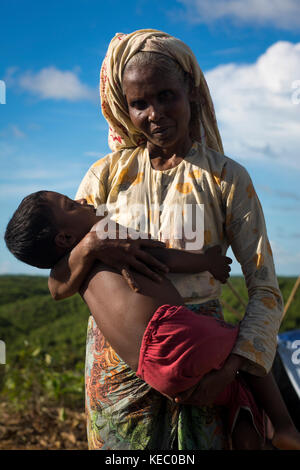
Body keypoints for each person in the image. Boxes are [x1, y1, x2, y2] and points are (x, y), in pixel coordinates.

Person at [43, 30, 286, 450]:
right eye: (139, 103)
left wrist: (229, 371)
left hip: (203, 367)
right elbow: (59, 285)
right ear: (125, 108)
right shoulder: (105, 177)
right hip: (117, 371)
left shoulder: (226, 178)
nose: (155, 114)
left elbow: (264, 288)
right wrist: (90, 247)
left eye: (166, 95)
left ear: (191, 91)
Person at [4, 190, 300, 450]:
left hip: (154, 372)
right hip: (173, 334)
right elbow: (163, 259)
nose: (82, 200)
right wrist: (207, 262)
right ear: (65, 238)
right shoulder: (106, 234)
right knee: (248, 344)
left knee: (239, 393)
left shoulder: (71, 270)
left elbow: (56, 288)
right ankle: (286, 427)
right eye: (70, 204)